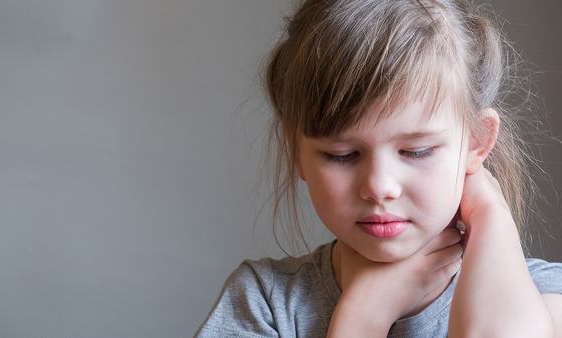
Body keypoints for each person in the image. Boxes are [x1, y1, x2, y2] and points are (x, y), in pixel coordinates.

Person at [195, 0, 562, 337]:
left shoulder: (544, 295)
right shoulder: (264, 304)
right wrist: (363, 316)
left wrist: (491, 214)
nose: (379, 186)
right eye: (341, 155)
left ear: (477, 142)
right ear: (298, 153)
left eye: (416, 151)